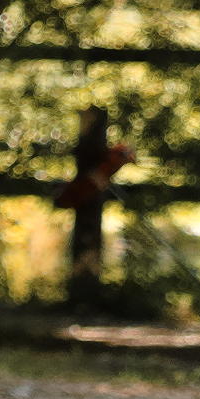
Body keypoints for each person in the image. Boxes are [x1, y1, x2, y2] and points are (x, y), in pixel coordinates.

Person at [63, 107, 132, 303]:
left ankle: (85, 291)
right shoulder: (97, 156)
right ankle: (82, 290)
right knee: (85, 232)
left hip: (90, 190)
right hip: (85, 191)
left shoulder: (109, 159)